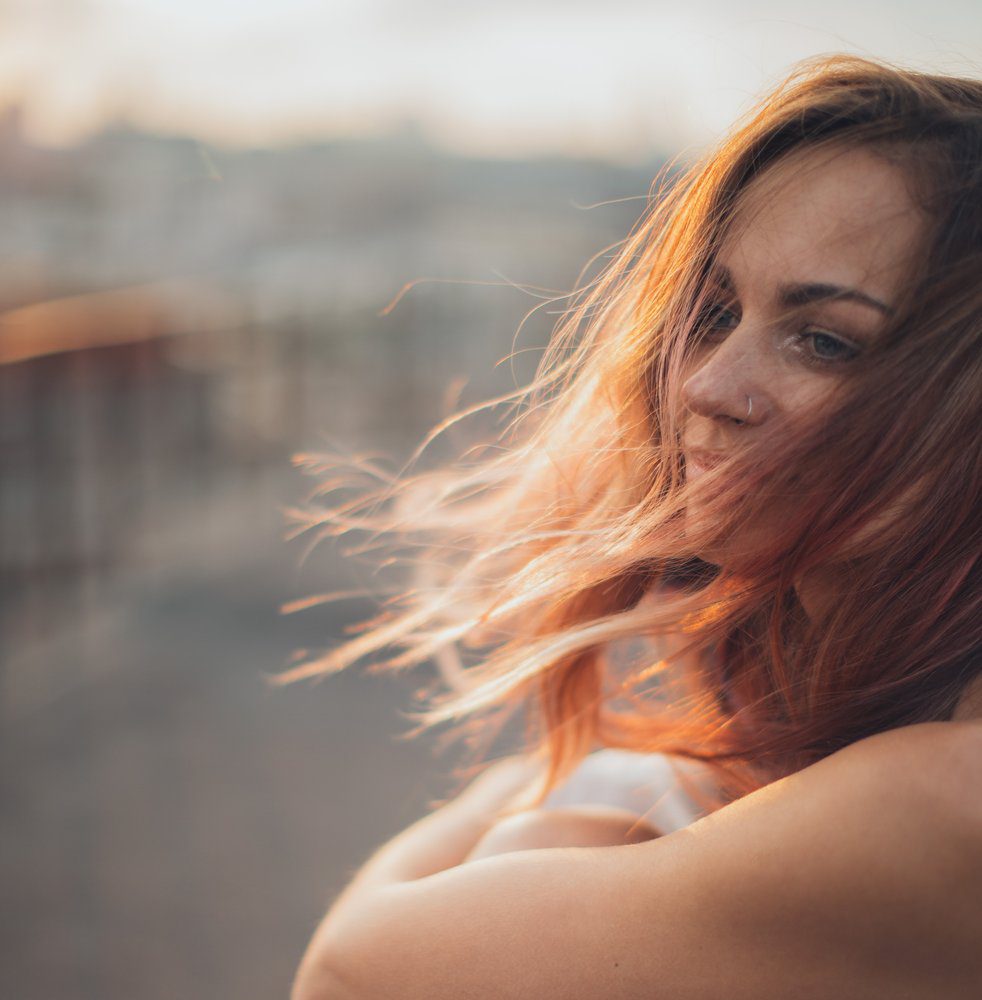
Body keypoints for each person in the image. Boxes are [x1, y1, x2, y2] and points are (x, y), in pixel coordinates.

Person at [285, 53, 982, 998]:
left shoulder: (948, 797)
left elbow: (352, 968)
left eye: (824, 340)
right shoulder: (882, 718)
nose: (705, 387)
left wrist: (551, 795)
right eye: (718, 311)